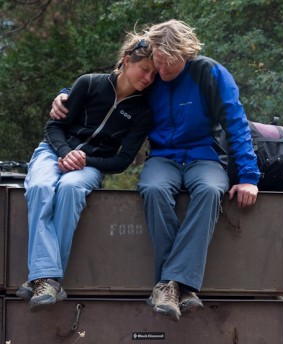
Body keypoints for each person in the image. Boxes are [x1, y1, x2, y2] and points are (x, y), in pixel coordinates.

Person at [51, 20, 260, 321]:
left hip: (205, 156)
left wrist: (249, 178)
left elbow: (237, 125)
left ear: (185, 54)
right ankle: (181, 287)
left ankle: (168, 284)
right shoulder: (153, 75)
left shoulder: (209, 73)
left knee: (211, 190)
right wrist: (65, 94)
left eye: (167, 64)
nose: (159, 72)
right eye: (157, 63)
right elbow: (111, 85)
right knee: (152, 188)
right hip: (163, 156)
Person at [20, 33, 156, 311]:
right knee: (40, 187)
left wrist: (84, 160)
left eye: (154, 75)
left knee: (70, 189)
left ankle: (43, 279)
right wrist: (64, 153)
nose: (149, 78)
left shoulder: (143, 110)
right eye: (145, 69)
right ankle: (49, 280)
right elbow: (54, 126)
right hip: (52, 151)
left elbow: (122, 160)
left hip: (92, 165)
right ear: (127, 60)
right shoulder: (89, 83)